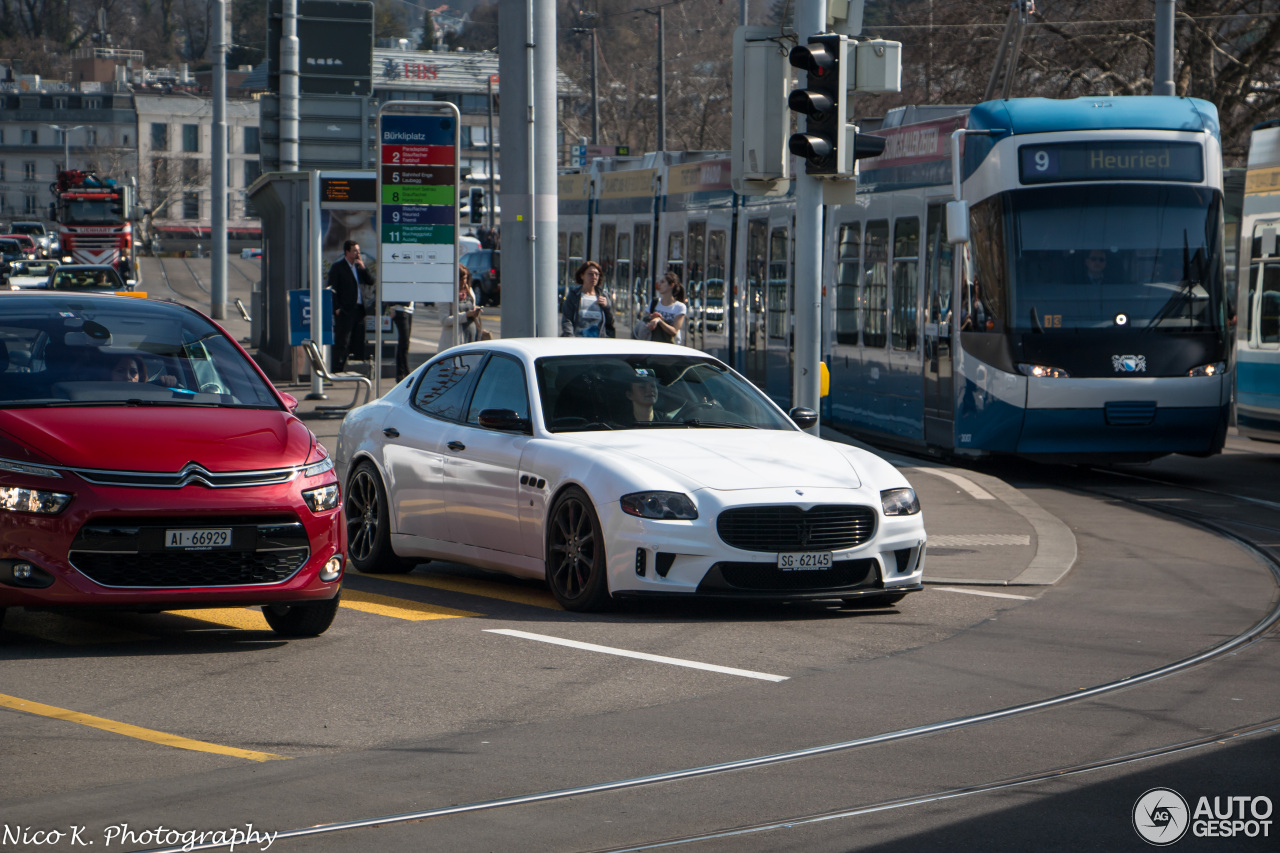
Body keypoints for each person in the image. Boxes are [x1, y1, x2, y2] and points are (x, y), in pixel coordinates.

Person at [328, 240, 373, 372]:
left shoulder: (359, 267)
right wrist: (336, 308)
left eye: (358, 251)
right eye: (354, 251)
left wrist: (363, 267)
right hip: (345, 309)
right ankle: (337, 368)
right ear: (347, 252)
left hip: (359, 309)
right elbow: (332, 289)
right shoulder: (338, 267)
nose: (357, 253)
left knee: (358, 338)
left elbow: (370, 281)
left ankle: (353, 366)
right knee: (342, 340)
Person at [560, 260, 614, 337]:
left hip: (598, 343)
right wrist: (570, 338)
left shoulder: (603, 296)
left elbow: (611, 322)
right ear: (582, 276)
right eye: (590, 274)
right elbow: (567, 320)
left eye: (597, 274)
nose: (594, 277)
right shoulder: (574, 295)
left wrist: (606, 307)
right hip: (577, 342)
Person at [438, 265, 483, 352]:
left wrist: (475, 310)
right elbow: (444, 320)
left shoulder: (469, 291)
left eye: (465, 278)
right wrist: (465, 315)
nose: (463, 281)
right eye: (460, 279)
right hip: (454, 342)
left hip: (472, 338)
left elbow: (471, 306)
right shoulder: (445, 295)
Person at [646, 271, 688, 344]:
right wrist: (651, 318)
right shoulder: (654, 303)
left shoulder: (680, 307)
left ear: (671, 285)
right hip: (653, 345)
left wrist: (659, 321)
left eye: (662, 282)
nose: (659, 285)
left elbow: (674, 331)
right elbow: (645, 323)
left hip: (670, 348)